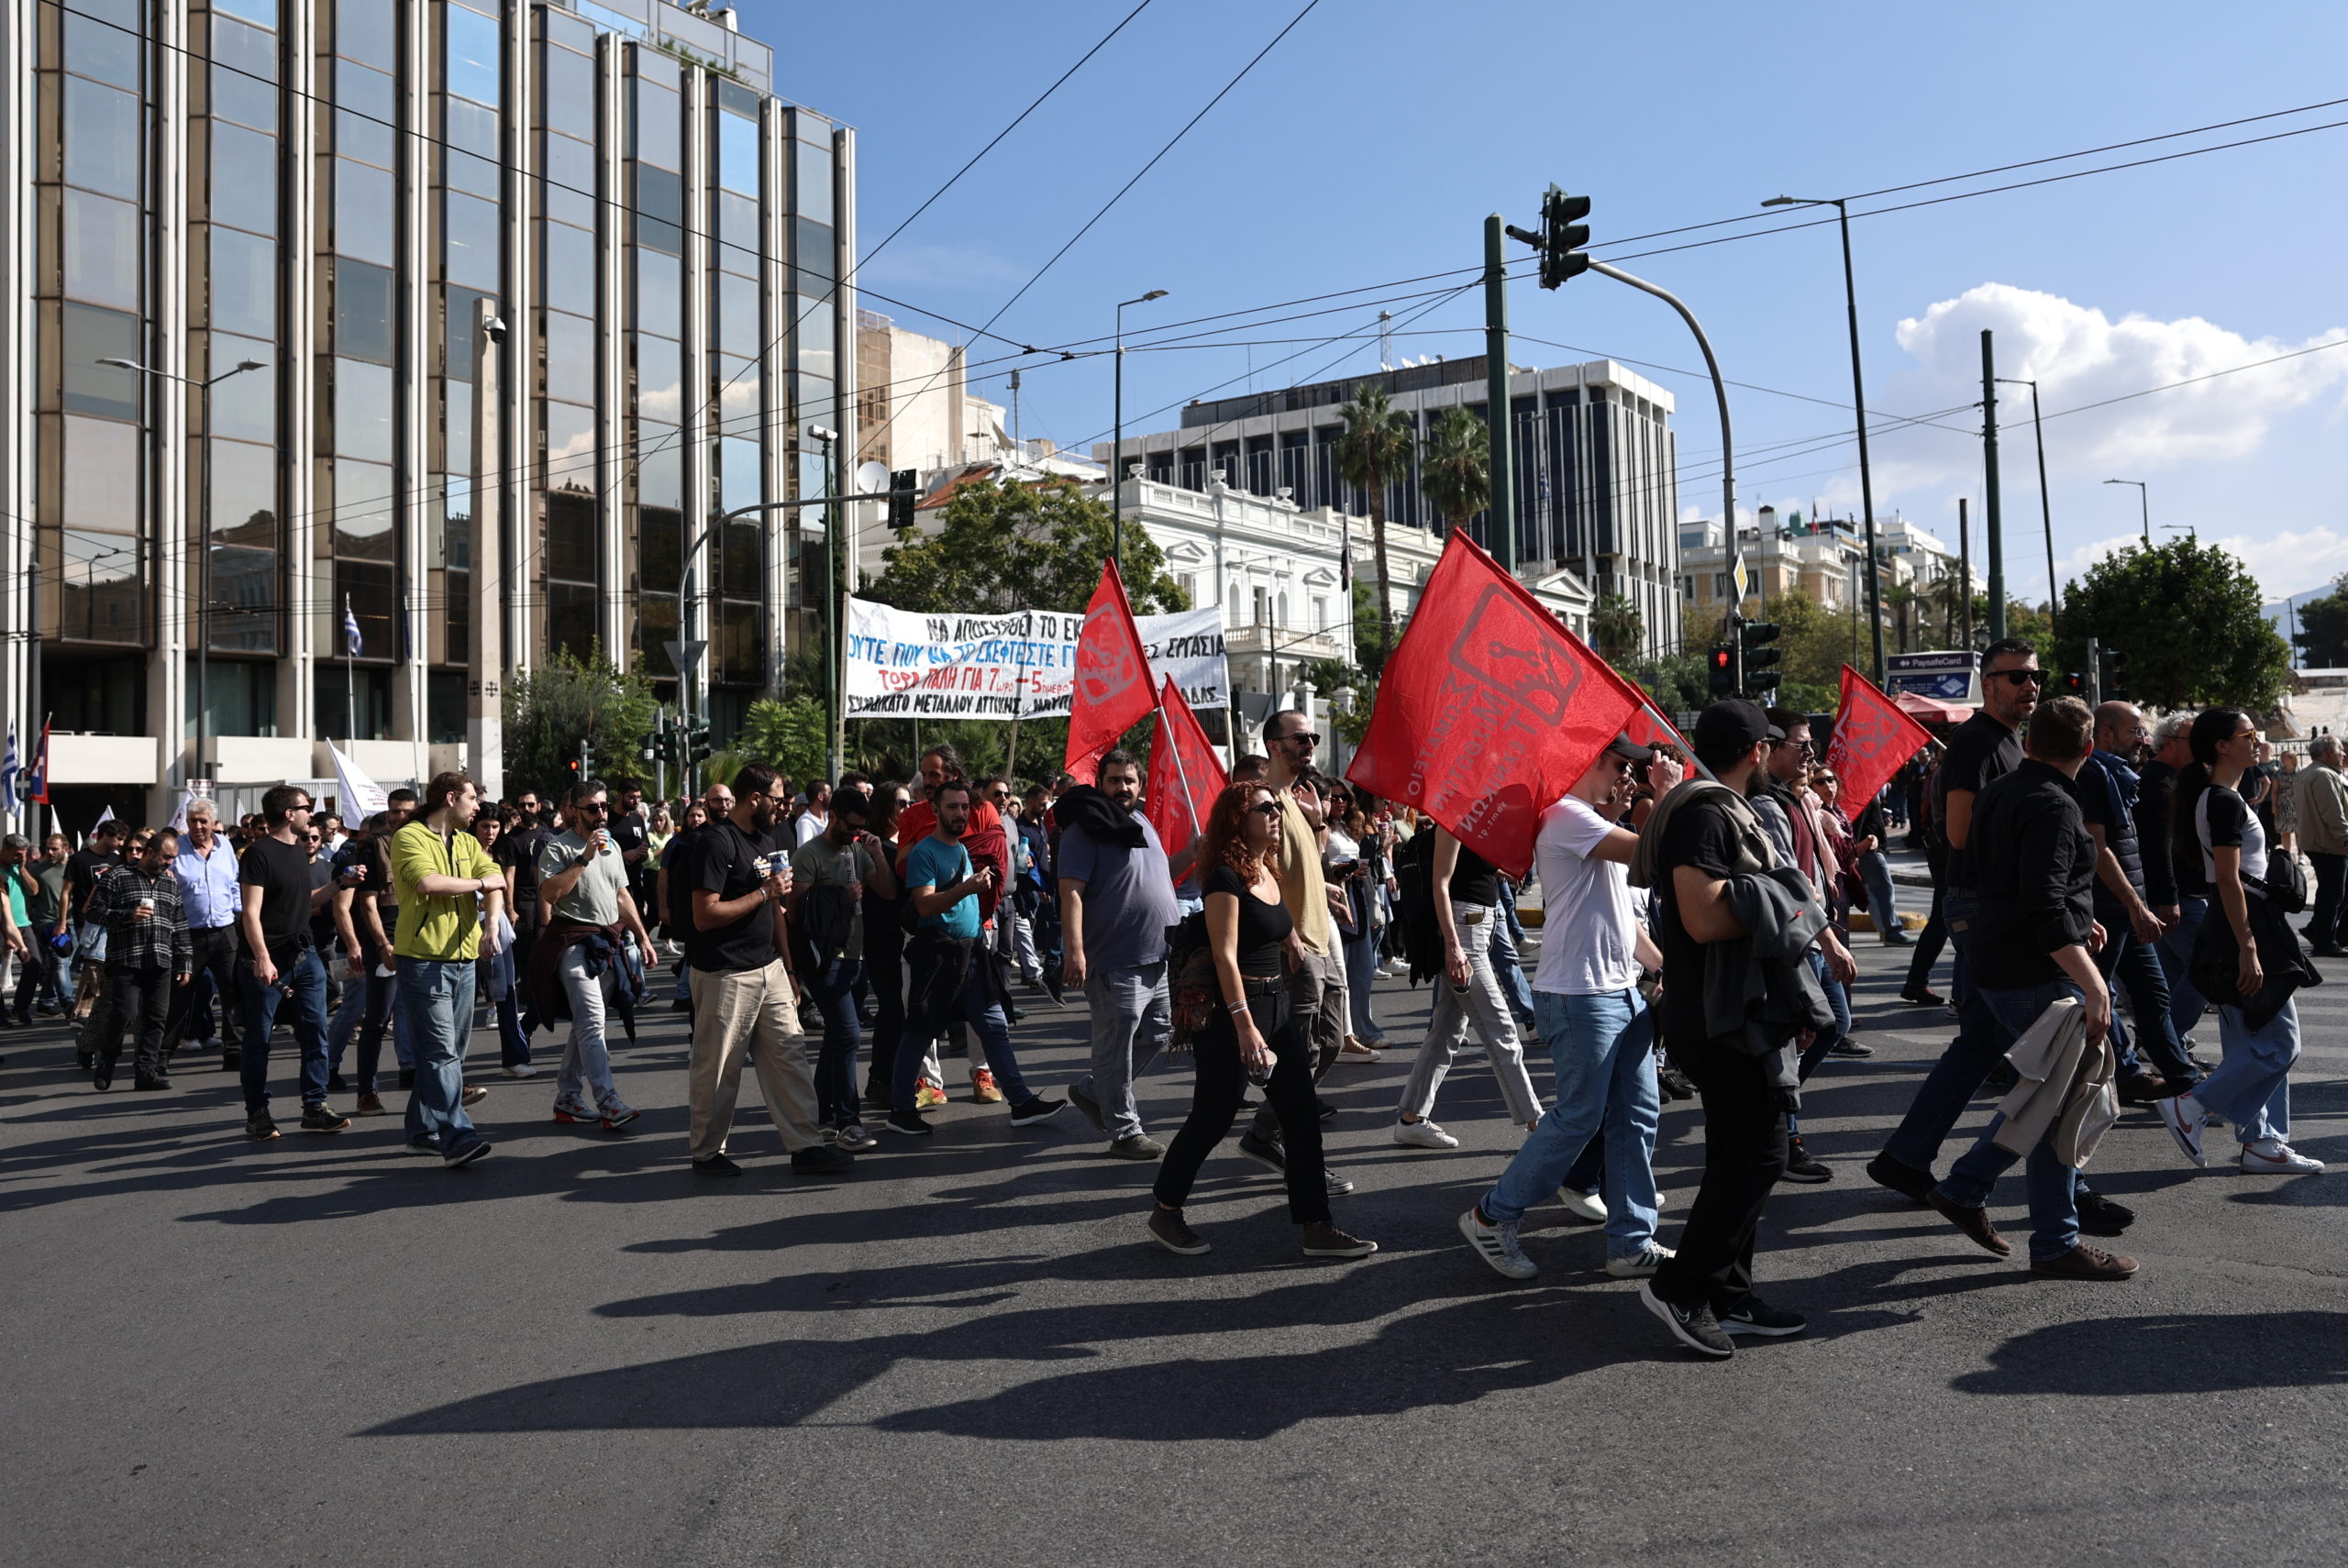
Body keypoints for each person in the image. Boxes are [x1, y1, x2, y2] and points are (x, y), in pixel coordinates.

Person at [1921, 696, 2137, 1278]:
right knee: (2057, 1102)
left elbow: (2013, 883)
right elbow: (2040, 904)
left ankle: (1973, 1192)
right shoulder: (2054, 804)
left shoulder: (2004, 790)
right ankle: (2050, 1238)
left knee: (2045, 1096)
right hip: (2033, 969)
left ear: (2031, 742)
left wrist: (2072, 913)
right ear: (2089, 750)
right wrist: (2095, 986)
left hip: (1998, 960)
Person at [1636, 700, 1816, 1357]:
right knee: (1762, 1153)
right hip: (1714, 1016)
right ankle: (1681, 1285)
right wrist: (1789, 899)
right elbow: (1704, 917)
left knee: (1737, 1152)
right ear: (1757, 752)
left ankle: (1728, 1293)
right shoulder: (1708, 814)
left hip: (1730, 1010)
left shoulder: (1713, 807)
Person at [1460, 734, 1673, 1282]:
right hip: (1580, 995)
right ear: (1589, 762)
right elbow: (1652, 853)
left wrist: (1660, 967)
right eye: (1621, 765)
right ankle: (1492, 1215)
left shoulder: (1592, 823)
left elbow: (1625, 924)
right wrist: (1666, 795)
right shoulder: (1566, 816)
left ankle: (1630, 1241)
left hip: (1621, 990)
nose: (1629, 776)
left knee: (1637, 1117)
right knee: (1578, 1117)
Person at [1145, 783, 1377, 1260]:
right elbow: (1226, 958)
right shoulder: (1224, 879)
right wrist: (1245, 1026)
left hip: (1277, 1008)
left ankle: (1317, 1226)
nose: (1275, 814)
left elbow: (1273, 920)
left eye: (1276, 807)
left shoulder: (1266, 868)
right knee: (1212, 1119)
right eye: (1265, 808)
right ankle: (1165, 1210)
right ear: (1238, 819)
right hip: (1235, 1014)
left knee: (1302, 1116)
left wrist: (1292, 939)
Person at [1868, 639, 2043, 1204]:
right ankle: (2060, 1192)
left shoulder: (2007, 742)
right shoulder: (1974, 743)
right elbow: (1962, 834)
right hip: (1984, 908)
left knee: (1981, 1044)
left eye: (2034, 677)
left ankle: (1905, 1156)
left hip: (1991, 905)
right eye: (2015, 676)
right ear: (1986, 683)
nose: (2029, 686)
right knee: (2054, 1058)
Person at [2154, 710, 2324, 1176]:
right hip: (2243, 928)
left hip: (2235, 925)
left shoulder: (2223, 796)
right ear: (2221, 746)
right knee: (2279, 1044)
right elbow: (2228, 881)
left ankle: (2262, 1142)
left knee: (2251, 1039)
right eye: (2247, 735)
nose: (2257, 741)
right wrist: (2249, 947)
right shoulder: (2221, 801)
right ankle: (2193, 1106)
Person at [682, 762, 849, 1176]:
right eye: (776, 799)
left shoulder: (768, 839)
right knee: (720, 1068)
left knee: (790, 1057)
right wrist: (763, 892)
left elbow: (776, 909)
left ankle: (806, 1145)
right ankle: (708, 1154)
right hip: (725, 974)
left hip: (769, 969)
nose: (783, 807)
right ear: (753, 798)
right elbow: (705, 915)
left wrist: (789, 971)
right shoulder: (716, 842)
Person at [890, 779, 1063, 1135]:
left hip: (970, 955)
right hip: (938, 959)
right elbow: (923, 904)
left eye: (965, 807)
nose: (960, 814)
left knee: (995, 1028)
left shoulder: (962, 850)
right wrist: (966, 888)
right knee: (919, 1035)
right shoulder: (925, 853)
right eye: (952, 807)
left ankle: (1020, 1101)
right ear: (936, 810)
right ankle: (901, 1111)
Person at [1238, 712, 1352, 1191]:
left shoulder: (1300, 801)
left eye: (1313, 737)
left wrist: (1325, 884)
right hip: (1296, 945)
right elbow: (1257, 873)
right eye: (1300, 738)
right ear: (1273, 745)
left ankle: (1264, 1131)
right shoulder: (1263, 804)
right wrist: (1287, 935)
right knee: (1300, 1055)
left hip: (1321, 938)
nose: (1310, 744)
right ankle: (1300, 1153)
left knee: (1331, 1042)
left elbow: (1299, 867)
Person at [1749, 707, 1857, 1183]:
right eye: (1801, 744)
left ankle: (1774, 1114)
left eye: (1812, 744)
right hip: (1797, 940)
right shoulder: (1768, 806)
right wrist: (1827, 938)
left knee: (1831, 1024)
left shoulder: (1796, 800)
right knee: (1804, 1035)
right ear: (1769, 750)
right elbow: (1788, 884)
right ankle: (1783, 1133)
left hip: (1812, 934)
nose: (1812, 753)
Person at [1058, 748, 1181, 1160]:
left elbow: (1158, 876)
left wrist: (1195, 856)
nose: (1122, 788)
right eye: (1114, 780)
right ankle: (1125, 1130)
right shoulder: (1085, 829)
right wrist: (1074, 950)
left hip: (1155, 954)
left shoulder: (1143, 822)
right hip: (1113, 957)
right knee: (1117, 1043)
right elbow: (1070, 892)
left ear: (1139, 785)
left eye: (1129, 780)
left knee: (1160, 1033)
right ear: (1100, 783)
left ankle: (1096, 1090)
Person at [1391, 823, 1544, 1148]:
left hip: (1480, 927)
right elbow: (1441, 885)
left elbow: (1471, 870)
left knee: (1446, 1031)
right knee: (1502, 1030)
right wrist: (1453, 946)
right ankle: (1538, 1127)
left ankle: (1411, 1119)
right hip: (1465, 936)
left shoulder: (1480, 821)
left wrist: (1502, 870)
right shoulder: (1455, 822)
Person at [2079, 701, 2199, 1108]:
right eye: (2135, 731)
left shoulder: (2118, 775)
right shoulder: (2094, 774)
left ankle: (2181, 1077)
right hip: (2109, 910)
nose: (2144, 739)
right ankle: (2124, 1074)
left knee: (2153, 994)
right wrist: (2136, 903)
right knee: (2100, 996)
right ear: (2107, 734)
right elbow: (2100, 848)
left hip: (2126, 910)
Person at [385, 771, 505, 1166]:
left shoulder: (468, 842)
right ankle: (458, 1135)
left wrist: (490, 926)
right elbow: (429, 883)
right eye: (472, 799)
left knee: (449, 1052)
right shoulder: (409, 837)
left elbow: (497, 882)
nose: (477, 807)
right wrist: (478, 884)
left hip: (465, 959)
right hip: (423, 960)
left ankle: (421, 1133)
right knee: (440, 1052)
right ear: (451, 798)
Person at [534, 778, 653, 1132]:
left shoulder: (612, 847)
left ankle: (568, 1097)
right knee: (592, 1024)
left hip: (607, 946)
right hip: (573, 946)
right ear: (574, 812)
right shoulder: (557, 848)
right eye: (592, 808)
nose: (601, 813)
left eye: (603, 806)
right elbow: (552, 894)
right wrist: (584, 855)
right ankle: (608, 1101)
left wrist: (644, 938)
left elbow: (622, 896)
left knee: (586, 1026)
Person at [238, 786, 351, 1140]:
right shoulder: (258, 854)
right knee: (258, 1039)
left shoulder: (299, 852)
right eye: (307, 807)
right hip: (267, 962)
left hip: (306, 957)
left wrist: (340, 883)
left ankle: (314, 1107)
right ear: (290, 813)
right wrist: (262, 958)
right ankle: (257, 1112)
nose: (311, 814)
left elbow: (305, 900)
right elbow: (251, 913)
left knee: (316, 1033)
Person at [789, 784, 892, 1152]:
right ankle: (849, 1122)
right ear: (832, 816)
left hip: (856, 958)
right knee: (848, 1034)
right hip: (825, 960)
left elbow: (887, 891)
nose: (855, 834)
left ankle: (822, 1115)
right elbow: (797, 913)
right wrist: (840, 897)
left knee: (836, 1038)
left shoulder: (857, 848)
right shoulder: (809, 855)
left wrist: (877, 854)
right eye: (850, 826)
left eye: (860, 828)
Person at [86, 826, 194, 1092]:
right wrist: (127, 915)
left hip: (161, 959)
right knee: (124, 1013)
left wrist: (185, 962)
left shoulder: (170, 882)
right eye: (166, 857)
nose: (170, 863)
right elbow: (94, 913)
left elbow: (179, 924)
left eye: (173, 859)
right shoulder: (117, 876)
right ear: (148, 852)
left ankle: (146, 1072)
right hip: (127, 958)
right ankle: (108, 1058)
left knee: (157, 1017)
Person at [162, 802, 245, 1072]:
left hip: (225, 931)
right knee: (179, 996)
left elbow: (234, 882)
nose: (198, 826)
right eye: (193, 821)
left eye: (203, 821)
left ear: (213, 822)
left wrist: (238, 912)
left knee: (233, 993)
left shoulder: (224, 846)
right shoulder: (178, 848)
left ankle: (233, 1053)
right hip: (189, 935)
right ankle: (161, 1057)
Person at [471, 811, 537, 1082]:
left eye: (495, 826)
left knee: (506, 993)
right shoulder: (461, 849)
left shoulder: (501, 851)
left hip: (496, 934)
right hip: (465, 934)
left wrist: (504, 910)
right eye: (485, 826)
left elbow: (503, 885)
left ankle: (514, 1058)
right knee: (462, 1001)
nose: (490, 831)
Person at [2291, 734, 2348, 955]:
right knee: (2333, 894)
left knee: (2334, 892)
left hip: (2320, 843)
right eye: (2340, 750)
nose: (2344, 754)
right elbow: (2333, 815)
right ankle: (2324, 940)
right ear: (2329, 752)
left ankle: (2320, 931)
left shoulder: (2310, 773)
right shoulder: (2323, 775)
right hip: (2331, 844)